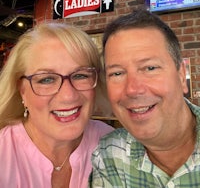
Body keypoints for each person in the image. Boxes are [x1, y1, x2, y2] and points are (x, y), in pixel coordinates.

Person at [89, 10, 200, 187]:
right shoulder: (109, 154)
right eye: (117, 73)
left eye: (150, 68)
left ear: (181, 75)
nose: (133, 89)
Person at [0, 22, 113, 187]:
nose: (68, 96)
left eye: (80, 75)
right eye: (46, 79)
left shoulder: (112, 145)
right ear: (22, 91)